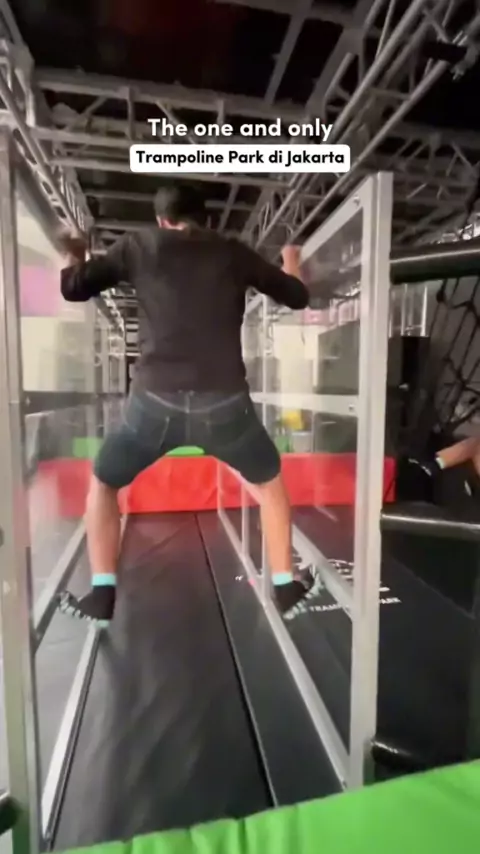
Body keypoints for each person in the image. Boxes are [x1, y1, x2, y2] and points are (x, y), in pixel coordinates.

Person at [57, 184, 318, 627]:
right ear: (207, 220)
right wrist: (291, 262)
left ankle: (101, 594)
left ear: (162, 220)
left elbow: (73, 287)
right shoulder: (232, 252)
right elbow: (296, 296)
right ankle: (285, 585)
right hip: (225, 404)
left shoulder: (137, 246)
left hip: (154, 403)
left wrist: (75, 253)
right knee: (270, 486)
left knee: (104, 484)